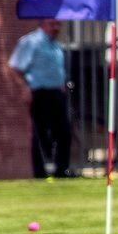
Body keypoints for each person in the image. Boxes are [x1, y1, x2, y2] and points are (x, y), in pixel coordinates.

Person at [8, 18, 72, 177]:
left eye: (58, 24)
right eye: (52, 24)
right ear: (43, 24)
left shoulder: (56, 46)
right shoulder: (31, 42)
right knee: (41, 133)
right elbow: (15, 67)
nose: (56, 28)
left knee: (64, 132)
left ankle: (61, 171)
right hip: (39, 93)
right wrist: (24, 88)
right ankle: (40, 172)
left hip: (57, 93)